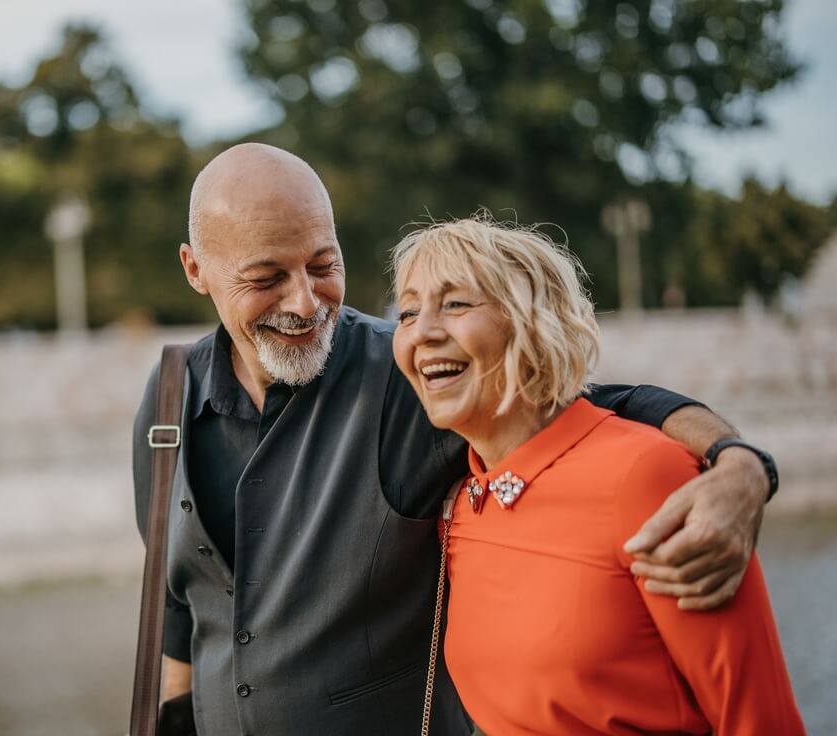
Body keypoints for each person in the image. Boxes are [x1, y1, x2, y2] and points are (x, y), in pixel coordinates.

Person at [131, 143, 777, 735]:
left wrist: (739, 462)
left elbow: (593, 403)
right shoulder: (165, 405)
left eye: (324, 265)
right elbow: (181, 612)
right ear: (196, 270)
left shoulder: (412, 374)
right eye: (267, 278)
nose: (306, 302)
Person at [390, 216, 804, 734]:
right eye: (407, 311)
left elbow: (759, 718)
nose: (423, 331)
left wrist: (743, 460)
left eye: (455, 303)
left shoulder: (648, 474)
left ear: (531, 322)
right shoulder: (462, 503)